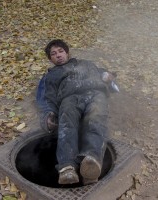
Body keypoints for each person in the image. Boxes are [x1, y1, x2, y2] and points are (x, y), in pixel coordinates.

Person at [36, 39, 117, 185]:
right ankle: (67, 167)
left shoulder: (86, 64)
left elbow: (104, 77)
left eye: (61, 51)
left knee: (96, 118)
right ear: (50, 59)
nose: (58, 55)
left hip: (95, 93)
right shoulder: (50, 76)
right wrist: (48, 115)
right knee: (67, 124)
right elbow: (46, 98)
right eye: (53, 54)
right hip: (69, 98)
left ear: (67, 53)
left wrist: (108, 77)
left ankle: (91, 162)